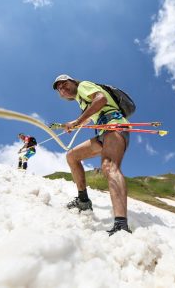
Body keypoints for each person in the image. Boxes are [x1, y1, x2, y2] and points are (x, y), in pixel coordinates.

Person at [52, 74, 131, 236]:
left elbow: (101, 99)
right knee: (72, 156)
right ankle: (83, 201)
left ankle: (121, 224)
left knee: (109, 166)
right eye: (59, 88)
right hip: (104, 130)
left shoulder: (84, 86)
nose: (62, 88)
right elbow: (90, 114)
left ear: (73, 82)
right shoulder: (82, 99)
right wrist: (76, 122)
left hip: (114, 125)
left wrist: (77, 121)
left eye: (64, 83)